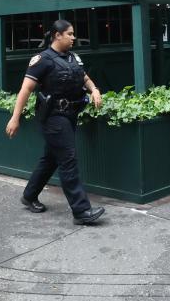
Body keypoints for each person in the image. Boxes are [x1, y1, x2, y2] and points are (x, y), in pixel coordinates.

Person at [6, 19, 106, 225]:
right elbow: (25, 90)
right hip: (53, 117)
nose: (73, 37)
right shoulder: (42, 60)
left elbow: (85, 78)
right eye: (69, 34)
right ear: (57, 35)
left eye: (73, 34)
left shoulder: (73, 57)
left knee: (51, 158)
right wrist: (15, 118)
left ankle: (29, 195)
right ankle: (81, 211)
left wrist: (94, 89)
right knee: (68, 159)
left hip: (70, 115)